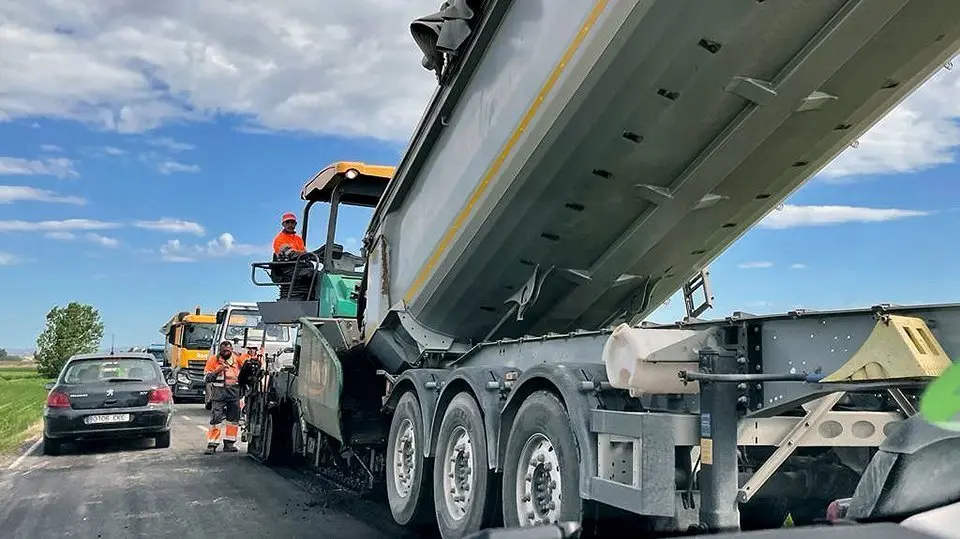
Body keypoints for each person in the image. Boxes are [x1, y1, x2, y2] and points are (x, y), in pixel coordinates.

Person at [202, 340, 248, 454]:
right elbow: (206, 378)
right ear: (220, 351)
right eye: (224, 350)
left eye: (228, 350)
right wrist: (218, 371)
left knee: (233, 419)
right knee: (216, 418)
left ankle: (229, 443)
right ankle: (212, 444)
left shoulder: (238, 359)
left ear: (231, 350)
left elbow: (245, 373)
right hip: (219, 393)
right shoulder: (214, 360)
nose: (226, 352)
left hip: (234, 392)